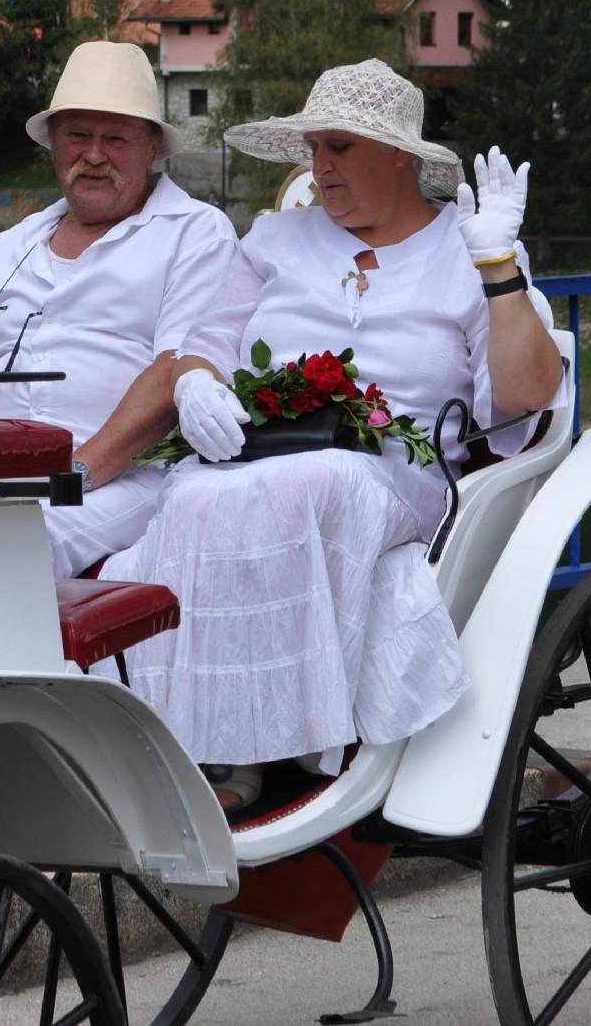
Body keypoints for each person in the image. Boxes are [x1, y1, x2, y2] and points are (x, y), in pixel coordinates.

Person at [101, 60, 565, 812]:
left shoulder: (465, 247)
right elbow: (208, 338)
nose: (321, 166)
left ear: (401, 157)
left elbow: (525, 396)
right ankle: (189, 738)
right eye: (315, 147)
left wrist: (498, 267)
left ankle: (253, 751)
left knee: (317, 485)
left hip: (393, 470)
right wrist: (195, 384)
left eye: (341, 147)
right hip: (263, 448)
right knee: (189, 495)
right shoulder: (278, 237)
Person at [0, 42, 237, 577]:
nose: (93, 155)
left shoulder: (195, 232)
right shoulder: (14, 243)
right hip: (5, 472)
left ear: (152, 147)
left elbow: (172, 374)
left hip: (128, 476)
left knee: (11, 541)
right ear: (54, 145)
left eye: (115, 139)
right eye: (77, 136)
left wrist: (72, 474)